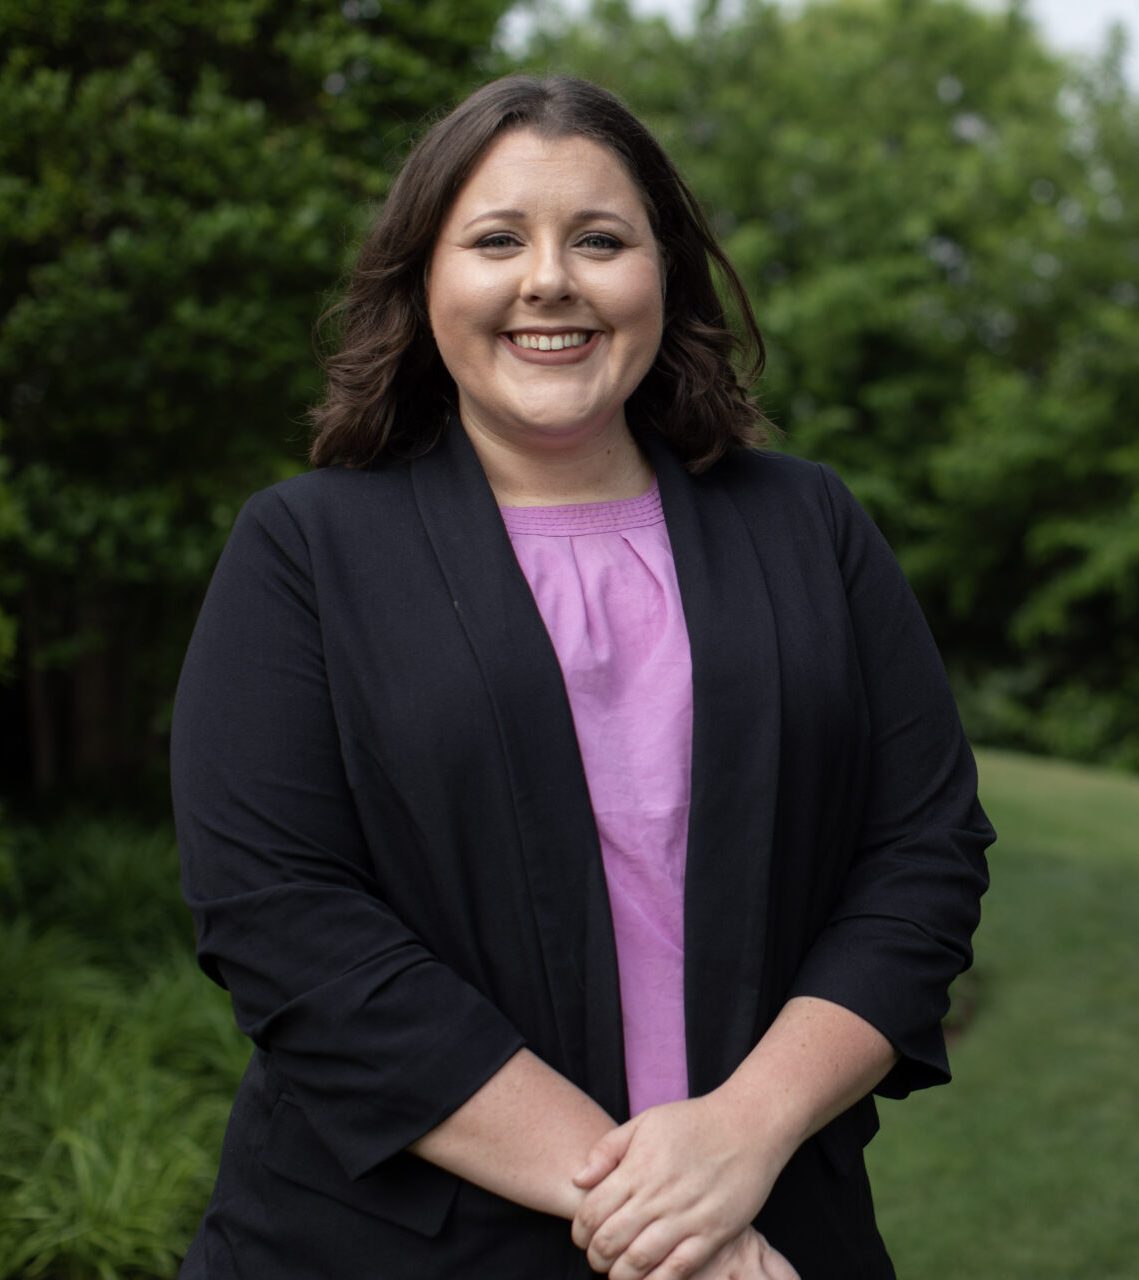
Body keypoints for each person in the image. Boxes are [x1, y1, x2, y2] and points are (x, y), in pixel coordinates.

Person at [171, 74, 993, 1280]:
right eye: (495, 239)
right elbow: (279, 915)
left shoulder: (805, 523)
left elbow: (921, 853)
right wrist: (658, 1217)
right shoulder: (305, 549)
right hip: (394, 1246)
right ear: (422, 282)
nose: (548, 278)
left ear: (660, 274)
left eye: (598, 240)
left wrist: (737, 1137)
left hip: (774, 1216)